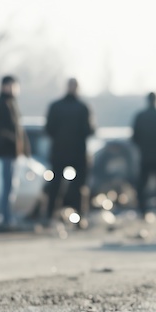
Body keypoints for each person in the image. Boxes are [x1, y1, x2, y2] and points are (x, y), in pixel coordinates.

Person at [44, 78, 94, 226]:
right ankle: (79, 217)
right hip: (78, 152)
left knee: (55, 185)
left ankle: (50, 216)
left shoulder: (55, 106)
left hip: (59, 152)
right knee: (79, 187)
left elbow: (49, 129)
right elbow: (89, 130)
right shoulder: (83, 107)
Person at [0, 75, 29, 229]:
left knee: (10, 186)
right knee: (8, 187)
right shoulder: (2, 103)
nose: (14, 88)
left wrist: (24, 148)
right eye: (12, 85)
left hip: (12, 152)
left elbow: (18, 129)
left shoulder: (11, 103)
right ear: (4, 86)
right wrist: (14, 142)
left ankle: (6, 217)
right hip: (7, 151)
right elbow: (2, 130)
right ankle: (5, 219)